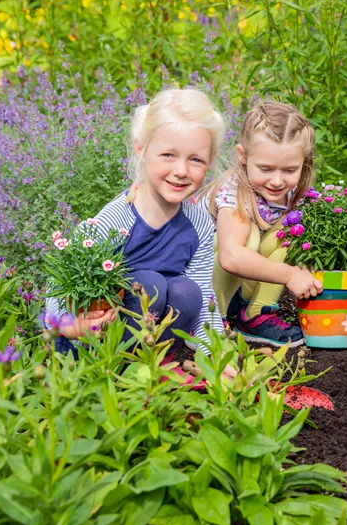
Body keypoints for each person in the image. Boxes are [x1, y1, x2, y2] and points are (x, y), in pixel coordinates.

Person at [47, 88, 225, 360]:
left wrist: (216, 353)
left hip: (151, 334)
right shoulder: (117, 218)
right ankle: (116, 366)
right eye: (168, 155)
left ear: (209, 161)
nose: (181, 171)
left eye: (195, 159)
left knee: (188, 292)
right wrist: (68, 325)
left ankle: (152, 363)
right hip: (95, 340)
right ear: (141, 149)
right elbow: (60, 279)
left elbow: (203, 293)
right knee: (150, 285)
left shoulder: (198, 222)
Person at [202, 101, 323, 346]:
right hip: (199, 281)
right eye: (266, 168)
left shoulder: (293, 194)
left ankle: (255, 314)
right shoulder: (233, 192)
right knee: (248, 238)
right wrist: (290, 275)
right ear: (242, 155)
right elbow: (231, 257)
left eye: (289, 170)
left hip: (238, 283)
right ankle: (211, 321)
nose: (277, 181)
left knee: (294, 233)